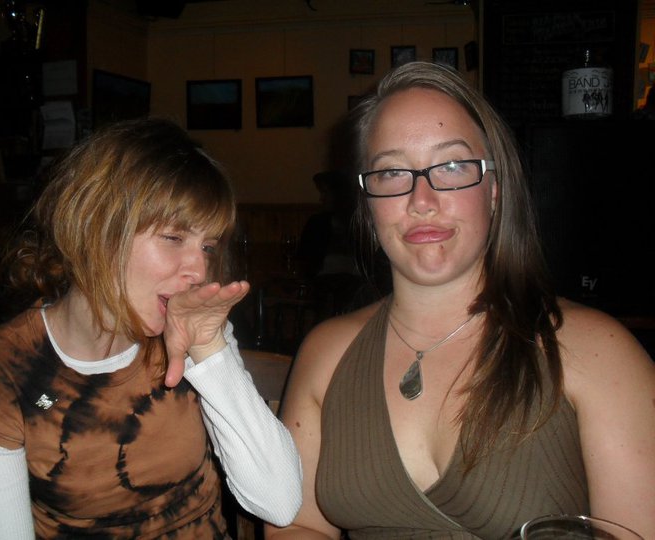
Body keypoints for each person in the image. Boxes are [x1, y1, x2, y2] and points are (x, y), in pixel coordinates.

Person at [266, 62, 655, 539]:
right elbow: (298, 526)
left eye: (452, 167)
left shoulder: (600, 351)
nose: (422, 200)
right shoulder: (325, 353)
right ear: (367, 203)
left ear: (494, 190)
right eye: (392, 172)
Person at [0, 117, 302, 539]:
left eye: (207, 246)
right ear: (96, 227)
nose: (199, 270)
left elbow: (279, 504)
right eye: (173, 238)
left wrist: (209, 349)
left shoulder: (193, 333)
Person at [295, 170, 364, 317]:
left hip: (354, 287)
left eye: (325, 193)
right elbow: (304, 257)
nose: (321, 198)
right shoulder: (317, 223)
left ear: (340, 195)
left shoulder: (359, 222)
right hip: (322, 285)